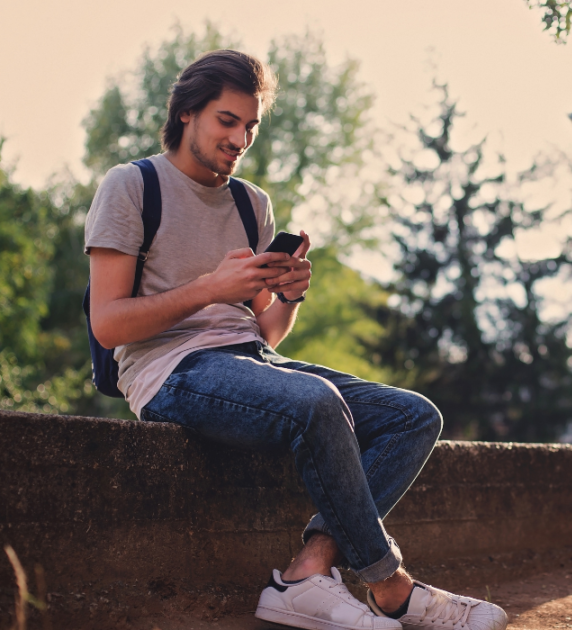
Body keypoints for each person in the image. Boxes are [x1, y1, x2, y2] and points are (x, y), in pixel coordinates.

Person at [84, 49, 508, 630]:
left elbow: (265, 332)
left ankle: (309, 571)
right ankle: (392, 588)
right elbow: (108, 324)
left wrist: (287, 295)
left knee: (414, 416)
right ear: (187, 113)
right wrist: (210, 287)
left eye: (251, 126)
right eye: (227, 121)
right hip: (170, 370)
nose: (241, 139)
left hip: (251, 360)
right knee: (314, 403)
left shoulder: (249, 202)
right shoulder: (132, 186)